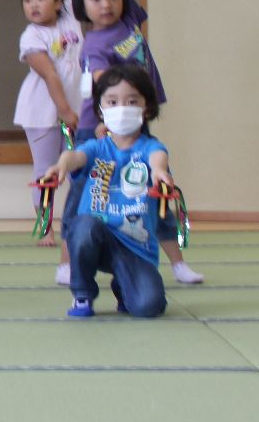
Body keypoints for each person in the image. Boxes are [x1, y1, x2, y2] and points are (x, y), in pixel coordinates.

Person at [65, 0, 204, 286]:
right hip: (101, 129)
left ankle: (177, 263)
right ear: (82, 5)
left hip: (135, 123)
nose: (107, 4)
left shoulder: (129, 21)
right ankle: (71, 263)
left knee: (156, 187)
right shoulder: (94, 45)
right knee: (88, 196)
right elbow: (101, 89)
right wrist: (102, 126)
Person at [43, 65, 177, 319]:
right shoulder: (97, 147)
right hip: (96, 235)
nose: (122, 108)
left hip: (134, 245)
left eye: (131, 101)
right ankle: (82, 294)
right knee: (82, 226)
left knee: (149, 307)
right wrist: (61, 166)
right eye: (113, 102)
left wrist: (160, 171)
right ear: (101, 109)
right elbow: (75, 155)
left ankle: (124, 286)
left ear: (146, 107)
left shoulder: (150, 147)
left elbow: (158, 158)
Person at [13, 0, 83, 255]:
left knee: (78, 167)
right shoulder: (31, 35)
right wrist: (64, 110)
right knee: (45, 171)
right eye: (27, 1)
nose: (33, 5)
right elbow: (49, 74)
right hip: (42, 111)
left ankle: (78, 222)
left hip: (76, 107)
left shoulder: (70, 16)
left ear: (57, 1)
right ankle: (45, 227)